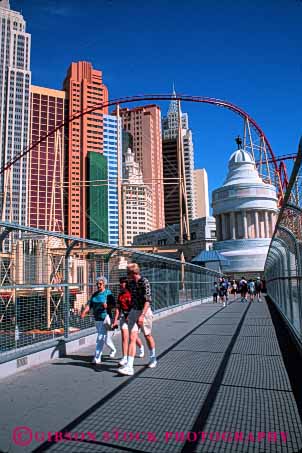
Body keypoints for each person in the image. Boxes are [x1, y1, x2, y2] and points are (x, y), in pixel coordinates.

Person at [118, 263, 157, 376]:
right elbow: (125, 294)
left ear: (133, 273)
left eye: (128, 273)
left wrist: (142, 316)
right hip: (134, 311)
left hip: (144, 311)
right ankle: (129, 367)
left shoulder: (144, 282)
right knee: (132, 337)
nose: (127, 275)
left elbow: (148, 300)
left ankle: (153, 358)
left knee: (147, 335)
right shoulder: (130, 283)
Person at [81, 276, 117, 364]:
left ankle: (97, 358)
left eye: (100, 284)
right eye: (97, 284)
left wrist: (107, 306)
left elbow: (114, 305)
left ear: (104, 284)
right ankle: (113, 350)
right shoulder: (94, 294)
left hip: (106, 318)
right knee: (106, 339)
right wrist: (84, 312)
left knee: (100, 337)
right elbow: (90, 305)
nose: (98, 285)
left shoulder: (108, 293)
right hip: (97, 319)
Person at [112, 277, 145, 366]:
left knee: (133, 337)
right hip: (124, 318)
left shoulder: (132, 294)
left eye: (122, 282)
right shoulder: (120, 295)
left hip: (132, 317)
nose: (120, 284)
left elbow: (136, 307)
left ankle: (141, 347)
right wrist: (115, 321)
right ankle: (124, 358)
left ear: (126, 284)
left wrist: (132, 316)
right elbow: (118, 309)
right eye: (120, 282)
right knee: (124, 337)